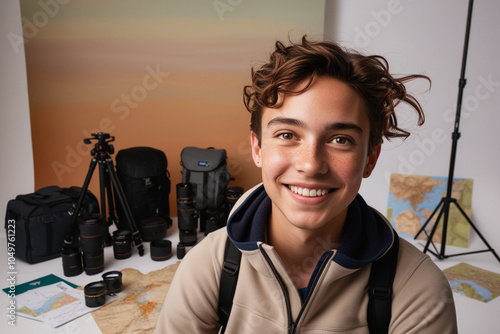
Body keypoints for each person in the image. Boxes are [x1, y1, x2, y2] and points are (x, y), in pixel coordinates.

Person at [154, 36, 458, 333]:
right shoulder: (209, 264)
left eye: (341, 140)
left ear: (369, 158)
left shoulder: (417, 289)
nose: (311, 165)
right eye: (287, 135)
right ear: (258, 149)